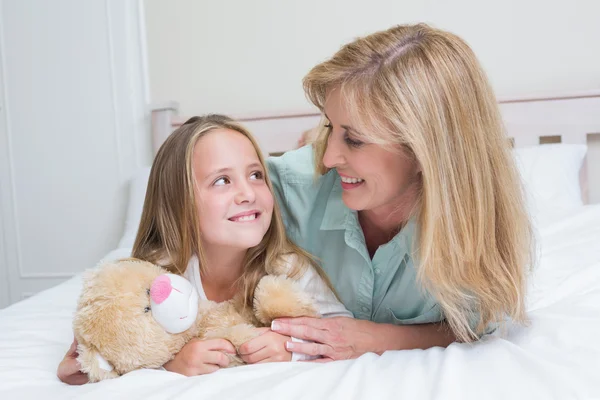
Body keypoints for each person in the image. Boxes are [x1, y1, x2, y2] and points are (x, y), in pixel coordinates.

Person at [266, 23, 533, 361]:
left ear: (427, 152)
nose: (330, 158)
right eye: (330, 128)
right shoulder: (291, 187)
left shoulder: (477, 234)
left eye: (355, 139)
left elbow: (485, 321)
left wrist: (380, 338)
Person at [57, 115, 351, 384]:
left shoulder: (288, 268)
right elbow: (83, 366)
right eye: (222, 180)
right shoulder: (157, 278)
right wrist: (171, 364)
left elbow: (342, 331)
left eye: (256, 175)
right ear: (179, 202)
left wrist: (291, 349)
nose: (247, 193)